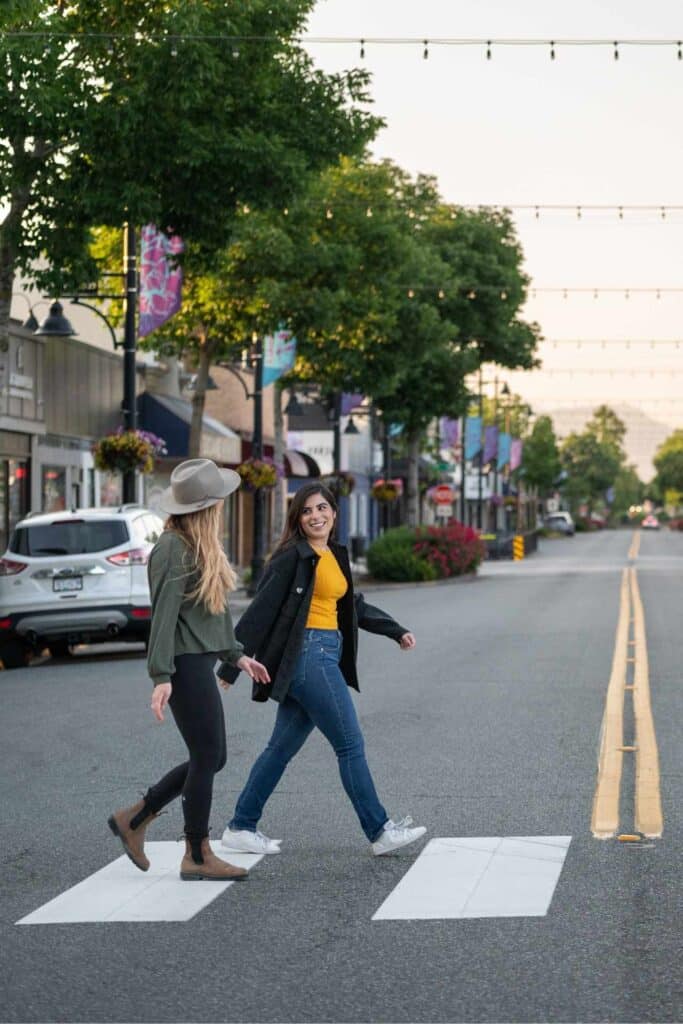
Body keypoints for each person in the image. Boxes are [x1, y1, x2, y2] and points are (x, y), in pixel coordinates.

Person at [218, 482, 426, 857]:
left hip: (323, 652)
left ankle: (241, 826)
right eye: (307, 511)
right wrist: (231, 664)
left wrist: (395, 630)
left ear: (333, 512)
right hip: (309, 655)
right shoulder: (291, 558)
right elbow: (259, 612)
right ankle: (379, 831)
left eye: (321, 509)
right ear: (298, 518)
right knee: (349, 744)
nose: (315, 516)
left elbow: (353, 606)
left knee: (280, 749)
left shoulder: (332, 553)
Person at [108, 459, 270, 881]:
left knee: (212, 757)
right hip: (181, 666)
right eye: (217, 502)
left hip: (195, 662)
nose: (221, 508)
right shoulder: (172, 549)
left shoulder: (198, 546)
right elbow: (162, 617)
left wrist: (236, 655)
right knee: (208, 756)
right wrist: (161, 676)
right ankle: (196, 853)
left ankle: (137, 817)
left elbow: (210, 616)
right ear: (206, 507)